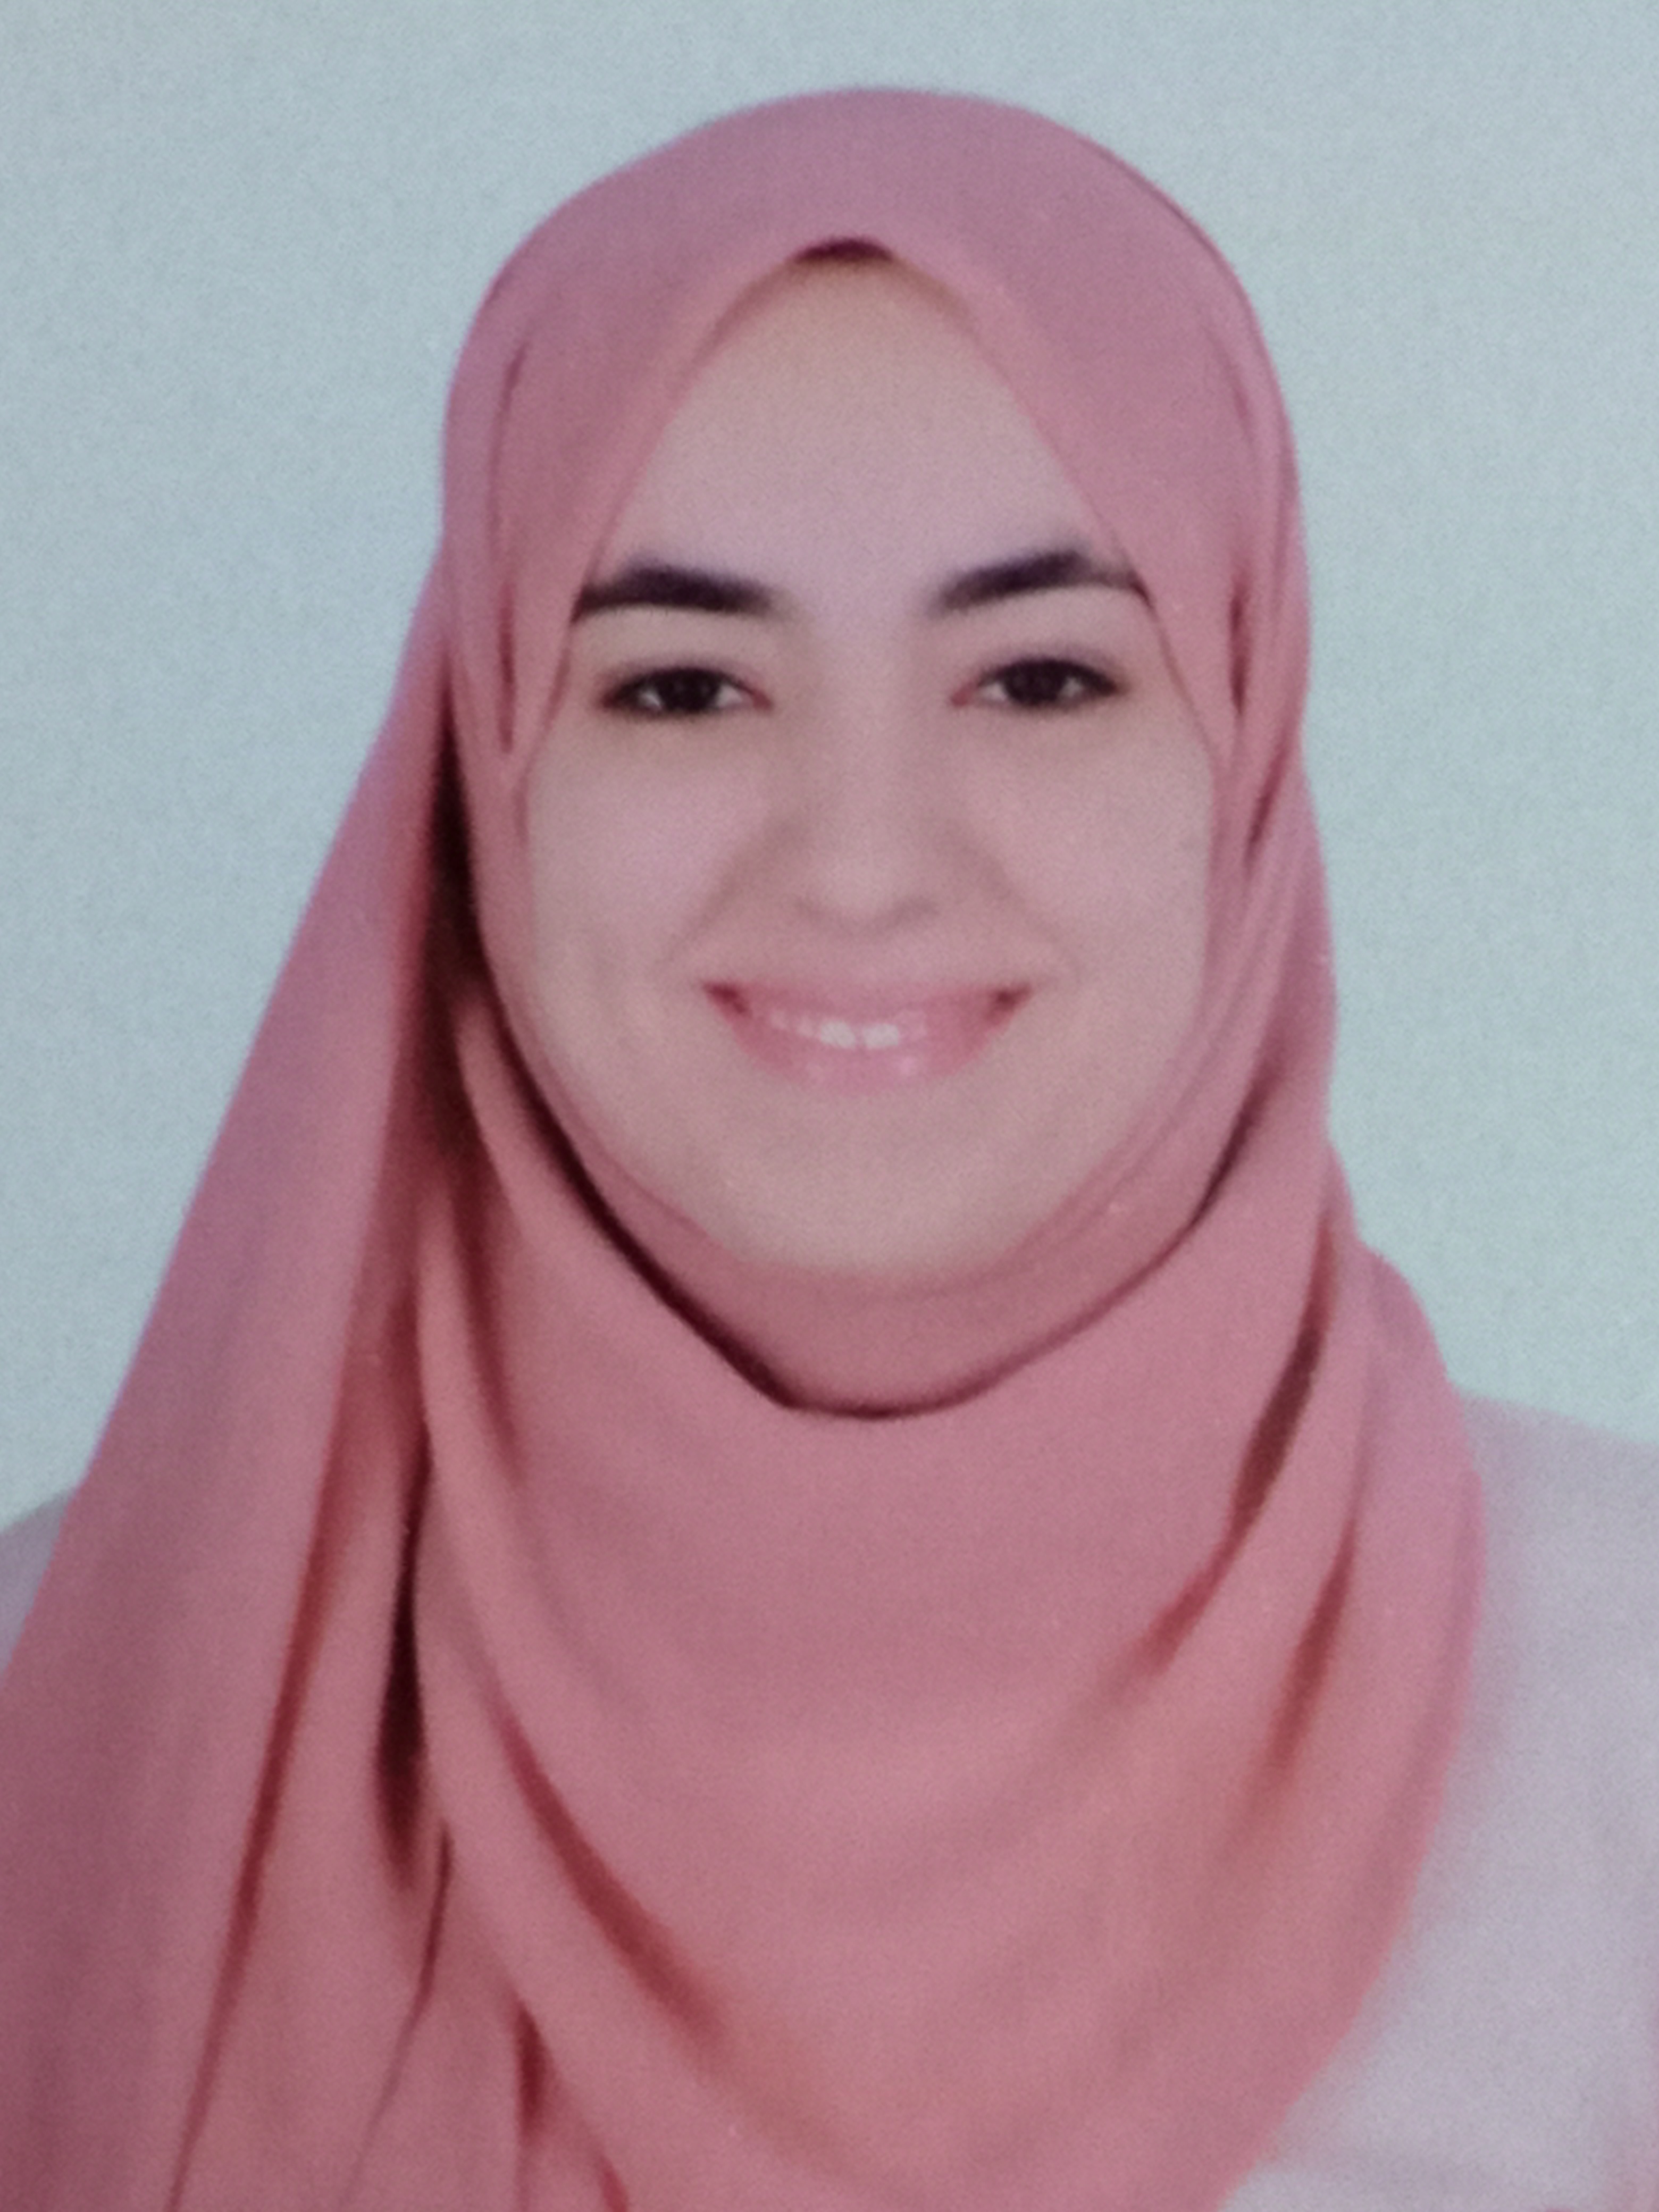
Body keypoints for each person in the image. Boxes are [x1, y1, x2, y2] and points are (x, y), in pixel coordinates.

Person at [0, 86, 1655, 2212]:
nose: (860, 860)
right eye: (683, 688)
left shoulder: (1621, 1727)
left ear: (1242, 756)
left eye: (1040, 678)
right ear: (484, 772)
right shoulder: (85, 1714)